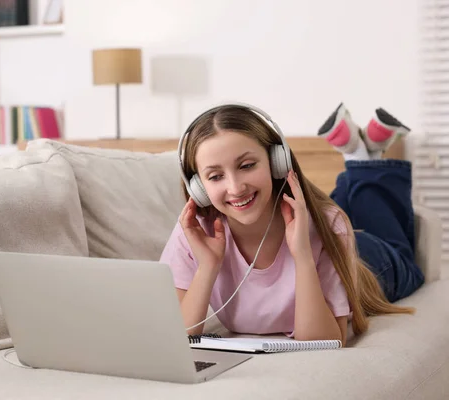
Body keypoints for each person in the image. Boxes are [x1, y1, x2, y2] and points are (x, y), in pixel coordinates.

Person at [159, 103, 424, 346]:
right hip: (323, 227)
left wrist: (304, 256)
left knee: (403, 259)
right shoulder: (194, 232)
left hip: (367, 258)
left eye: (247, 165)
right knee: (332, 212)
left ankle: (361, 158)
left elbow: (323, 341)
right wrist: (207, 266)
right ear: (198, 187)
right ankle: (359, 155)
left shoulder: (328, 228)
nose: (235, 187)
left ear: (277, 162)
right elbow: (177, 338)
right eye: (215, 176)